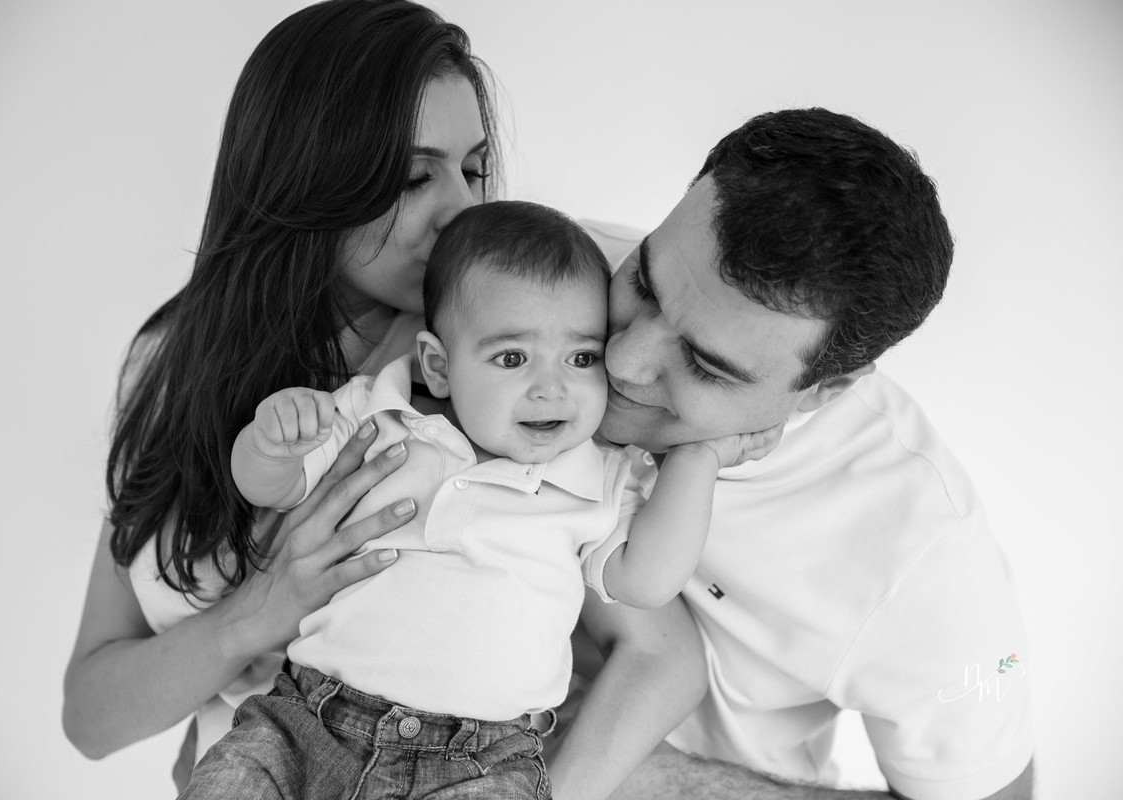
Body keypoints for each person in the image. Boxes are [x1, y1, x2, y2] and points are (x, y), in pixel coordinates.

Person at [61, 0, 555, 788]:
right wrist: (259, 611)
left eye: (473, 169)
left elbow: (640, 650)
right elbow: (90, 714)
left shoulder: (493, 363)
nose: (463, 209)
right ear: (308, 177)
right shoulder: (175, 358)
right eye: (413, 176)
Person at [181, 200, 776, 799]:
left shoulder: (598, 475)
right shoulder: (376, 415)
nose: (552, 387)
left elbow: (646, 581)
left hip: (482, 762)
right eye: (512, 358)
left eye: (582, 358)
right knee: (231, 782)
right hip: (311, 722)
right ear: (439, 367)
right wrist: (272, 441)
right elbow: (272, 489)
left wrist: (698, 461)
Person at [545, 108, 1034, 800]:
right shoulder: (546, 273)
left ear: (824, 390)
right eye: (643, 285)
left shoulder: (921, 556)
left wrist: (655, 783)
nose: (622, 361)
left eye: (705, 366)